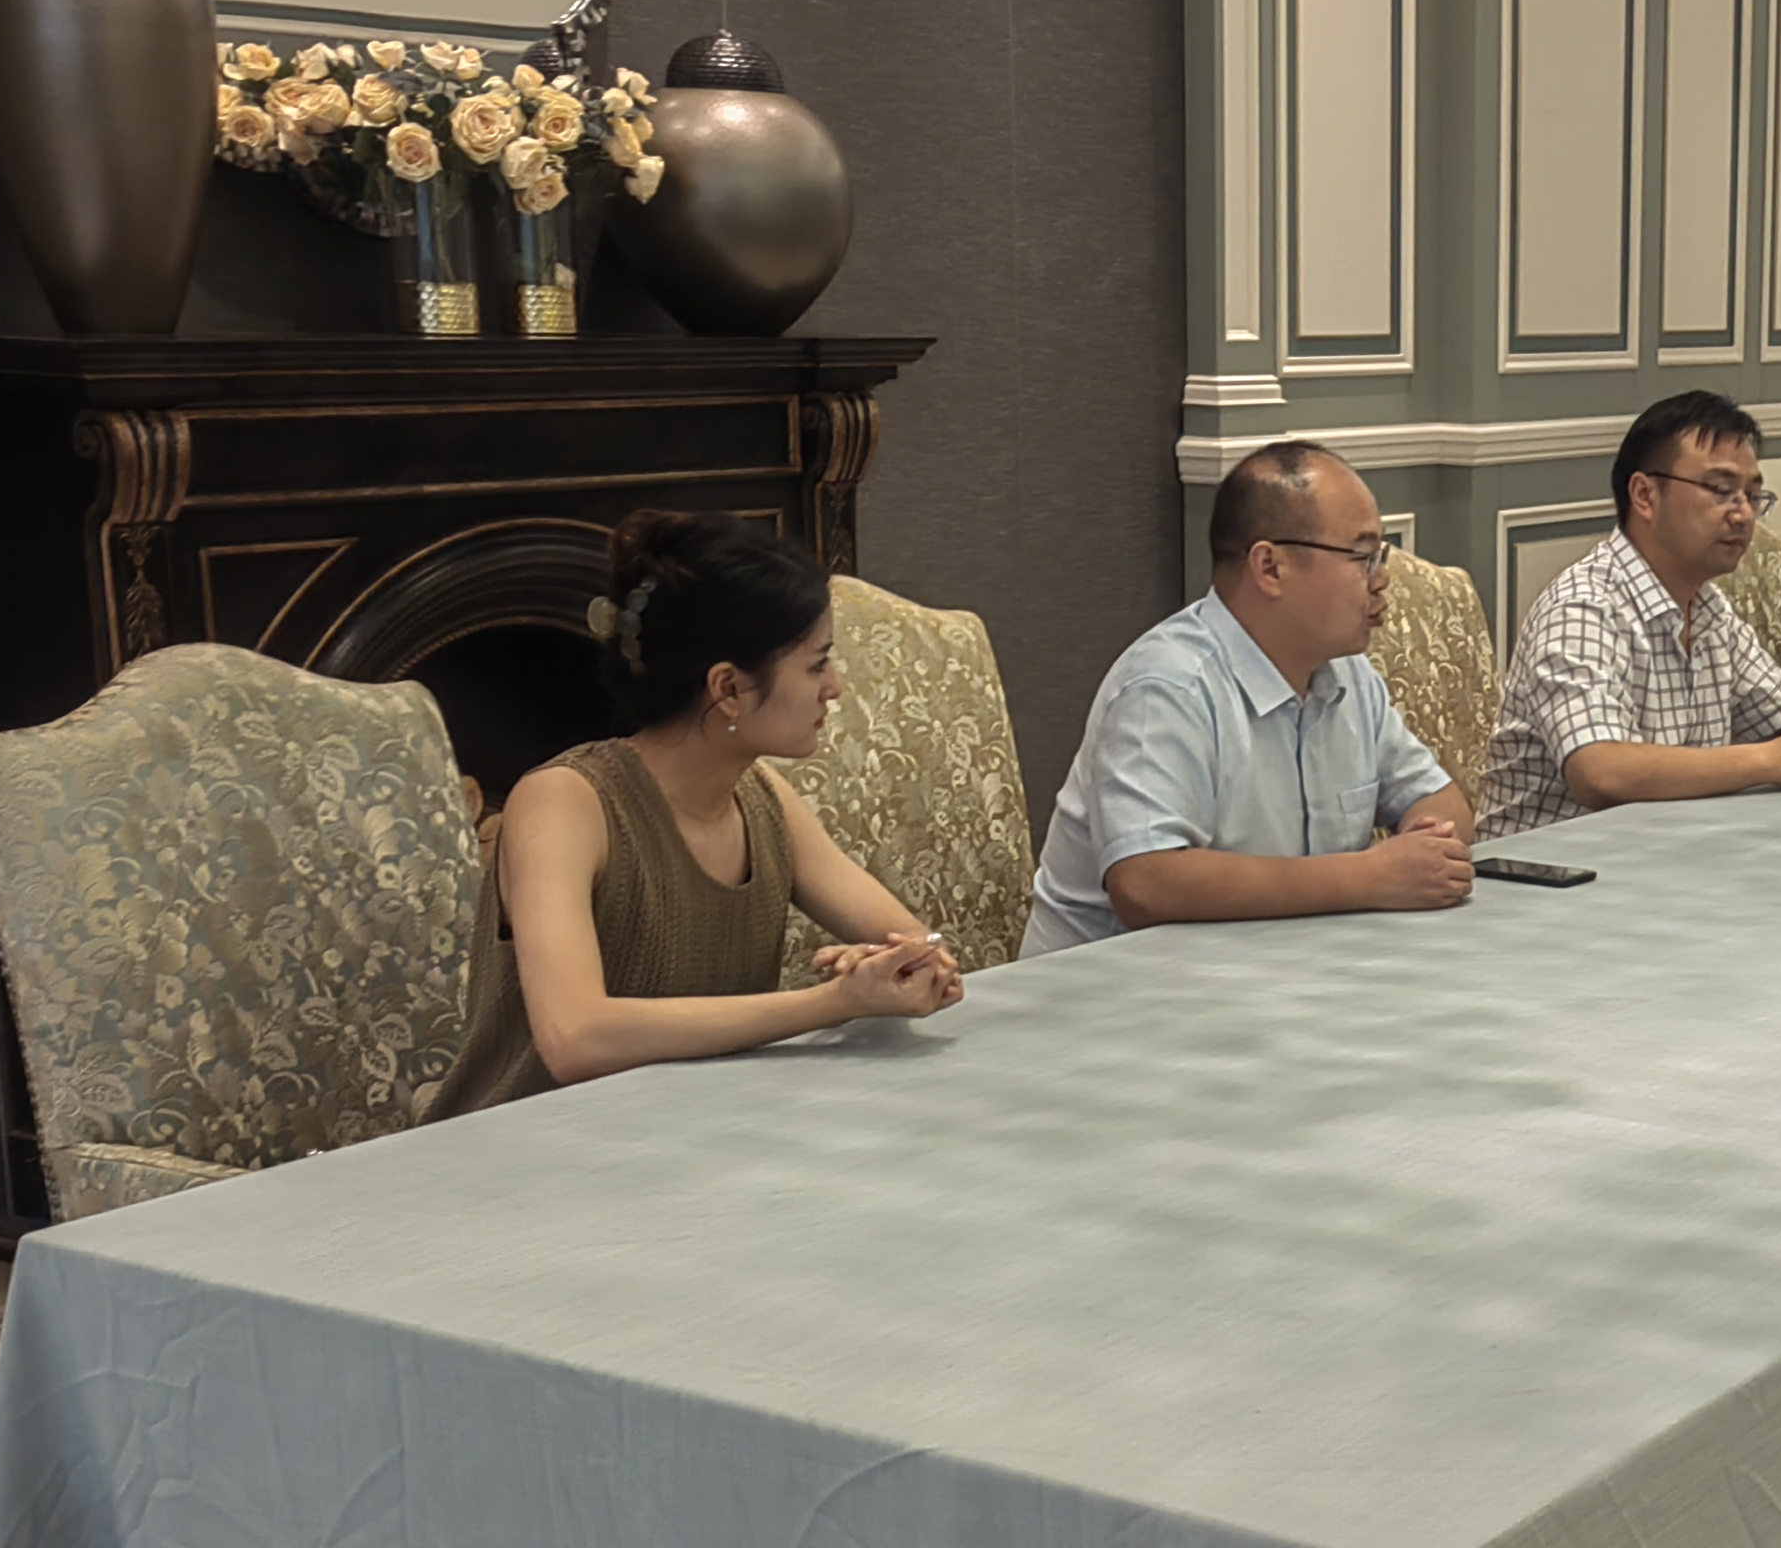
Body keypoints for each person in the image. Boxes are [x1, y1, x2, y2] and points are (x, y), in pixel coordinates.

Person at [435, 512, 961, 1119]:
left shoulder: (763, 799)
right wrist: (836, 1001)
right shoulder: (562, 803)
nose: (835, 687)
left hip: (690, 1130)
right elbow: (576, 1038)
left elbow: (912, 939)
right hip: (521, 1145)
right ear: (728, 688)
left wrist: (909, 964)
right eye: (817, 664)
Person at [1024, 442, 1472, 950]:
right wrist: (1368, 877)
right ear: (1270, 567)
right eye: (1362, 557)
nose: (1381, 579)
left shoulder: (1345, 673)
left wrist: (1428, 845)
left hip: (1281, 966)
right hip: (1118, 984)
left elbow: (1441, 802)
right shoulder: (1167, 686)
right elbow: (1147, 883)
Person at [1480, 391, 1781, 836]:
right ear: (1644, 495)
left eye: (1753, 495)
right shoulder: (1582, 607)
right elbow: (1601, 772)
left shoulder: (1710, 609)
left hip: (1670, 849)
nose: (1743, 515)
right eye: (1721, 491)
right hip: (1552, 863)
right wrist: (1768, 760)